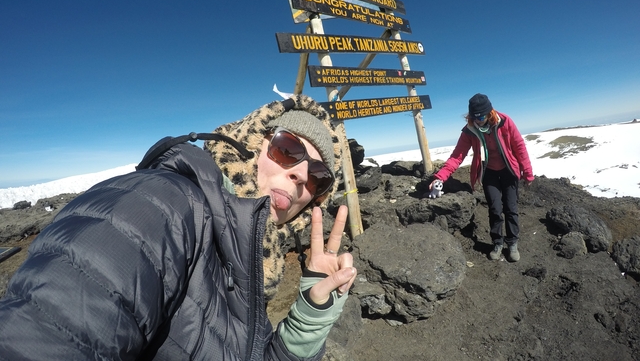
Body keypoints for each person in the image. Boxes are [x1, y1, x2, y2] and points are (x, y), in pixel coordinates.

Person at [0, 94, 357, 360]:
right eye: (287, 148)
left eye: (319, 177)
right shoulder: (160, 201)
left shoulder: (246, 257)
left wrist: (311, 312)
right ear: (249, 144)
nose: (300, 174)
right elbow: (45, 333)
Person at [428, 93, 533, 262]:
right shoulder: (469, 130)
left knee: (511, 209)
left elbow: (519, 147)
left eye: (482, 116)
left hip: (508, 171)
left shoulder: (505, 122)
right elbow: (457, 156)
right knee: (494, 209)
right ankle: (497, 243)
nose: (479, 120)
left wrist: (527, 173)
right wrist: (440, 177)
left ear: (489, 112)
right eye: (474, 117)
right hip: (489, 172)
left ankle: (512, 243)